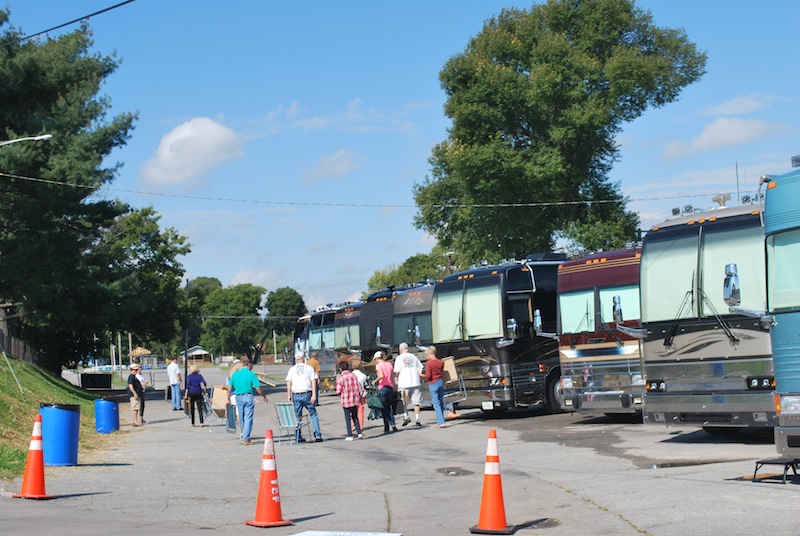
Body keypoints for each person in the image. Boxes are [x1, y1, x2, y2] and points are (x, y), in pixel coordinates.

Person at [230, 357, 269, 445]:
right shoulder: (251, 374)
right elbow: (258, 388)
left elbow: (230, 387)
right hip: (248, 396)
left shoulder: (235, 374)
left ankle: (244, 435)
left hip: (238, 396)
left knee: (241, 416)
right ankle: (246, 437)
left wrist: (227, 397)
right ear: (249, 365)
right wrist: (264, 396)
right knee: (248, 417)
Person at [285, 353, 323, 442]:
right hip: (307, 393)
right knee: (313, 414)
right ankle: (317, 435)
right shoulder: (309, 368)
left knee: (297, 416)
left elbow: (288, 381)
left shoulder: (292, 369)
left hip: (296, 394)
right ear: (304, 359)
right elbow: (313, 380)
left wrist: (288, 394)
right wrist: (314, 394)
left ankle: (298, 436)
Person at [394, 342, 424, 427]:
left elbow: (397, 371)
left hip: (404, 382)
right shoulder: (414, 357)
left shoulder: (399, 358)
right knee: (416, 401)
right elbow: (420, 368)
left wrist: (396, 379)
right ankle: (417, 419)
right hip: (415, 381)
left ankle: (406, 416)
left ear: (400, 350)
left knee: (404, 401)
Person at [335, 361, 365, 440]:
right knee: (355, 417)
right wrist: (361, 394)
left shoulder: (340, 377)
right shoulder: (353, 375)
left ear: (341, 368)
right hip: (354, 399)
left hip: (345, 400)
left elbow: (338, 390)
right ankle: (359, 433)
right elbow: (359, 387)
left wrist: (340, 393)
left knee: (347, 417)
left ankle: (350, 435)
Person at [371, 351, 397, 433]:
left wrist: (374, 381)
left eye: (375, 359)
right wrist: (394, 387)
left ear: (377, 358)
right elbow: (392, 377)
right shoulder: (389, 365)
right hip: (390, 387)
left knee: (383, 408)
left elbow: (381, 376)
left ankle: (386, 426)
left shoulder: (378, 366)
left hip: (382, 388)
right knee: (389, 407)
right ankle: (393, 424)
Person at [424, 345, 447, 428]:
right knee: (440, 402)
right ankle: (440, 421)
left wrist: (420, 374)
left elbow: (428, 376)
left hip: (433, 383)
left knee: (436, 403)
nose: (426, 356)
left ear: (430, 354)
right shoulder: (440, 362)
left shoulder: (429, 363)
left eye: (427, 355)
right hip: (440, 382)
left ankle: (441, 422)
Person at [351, 359, 368, 430]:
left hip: (353, 394)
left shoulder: (351, 375)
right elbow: (365, 385)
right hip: (362, 394)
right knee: (361, 410)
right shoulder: (363, 375)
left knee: (353, 410)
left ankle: (353, 423)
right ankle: (360, 426)